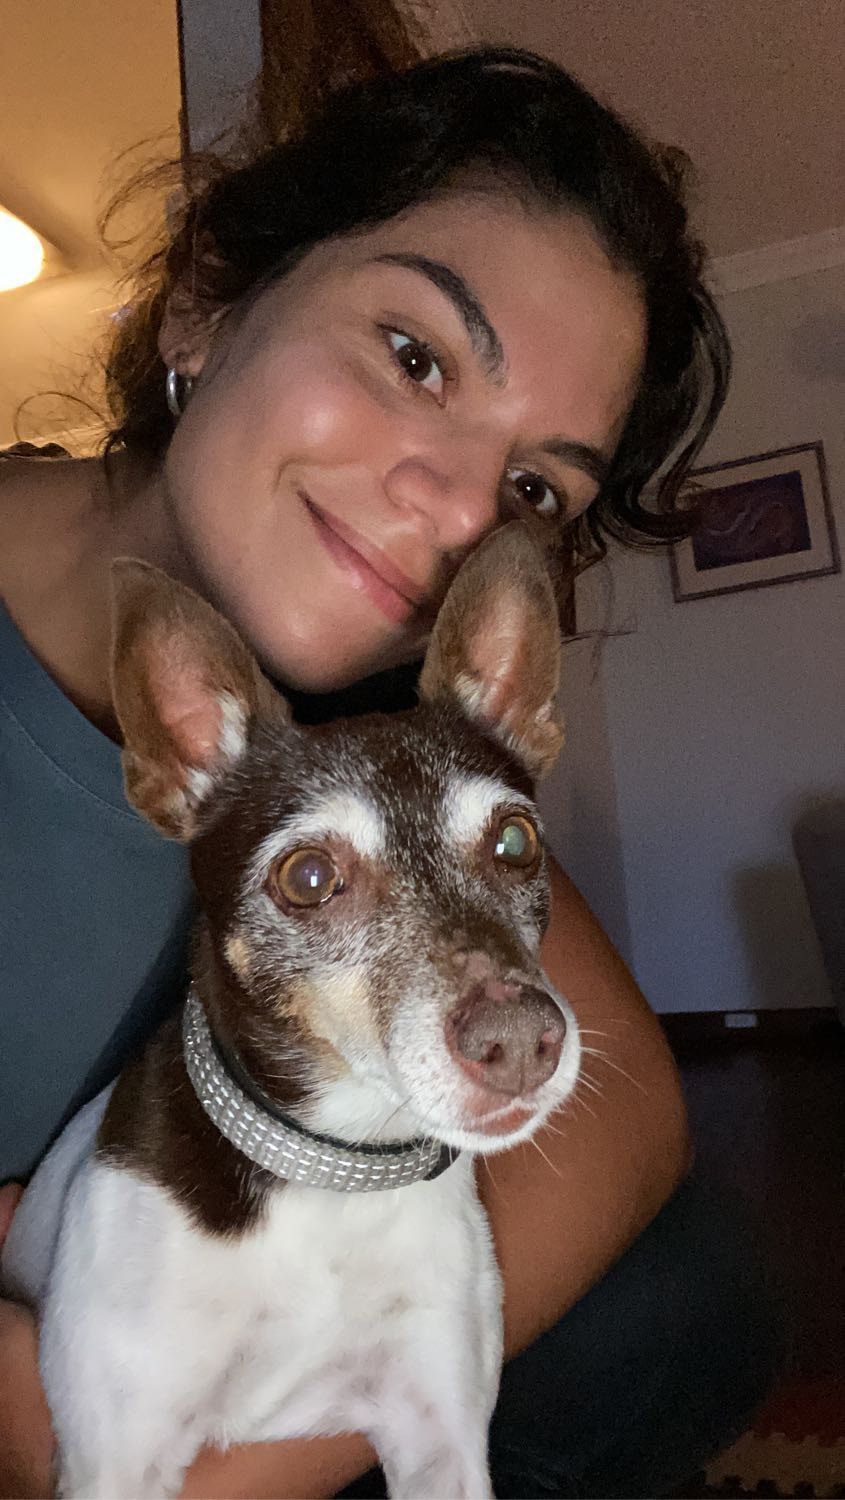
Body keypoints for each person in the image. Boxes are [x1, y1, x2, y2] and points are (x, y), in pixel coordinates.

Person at [0, 43, 786, 1500]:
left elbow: (625, 1120)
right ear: (208, 295)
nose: (455, 510)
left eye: (534, 486)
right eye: (415, 356)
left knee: (684, 1302)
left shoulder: (365, 723)